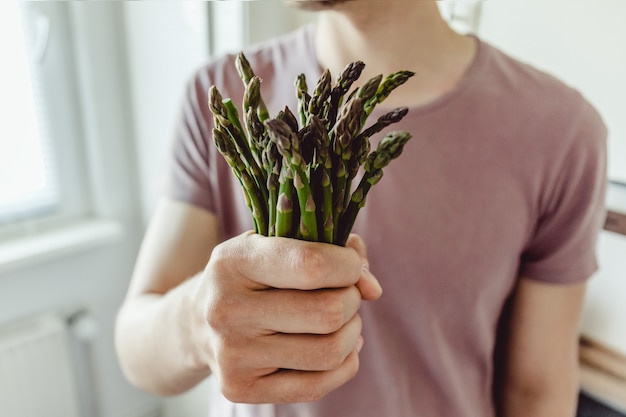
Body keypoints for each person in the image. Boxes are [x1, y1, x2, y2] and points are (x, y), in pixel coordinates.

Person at [114, 1, 608, 416]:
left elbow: (537, 390)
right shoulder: (224, 95)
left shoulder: (560, 132)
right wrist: (198, 323)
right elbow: (137, 351)